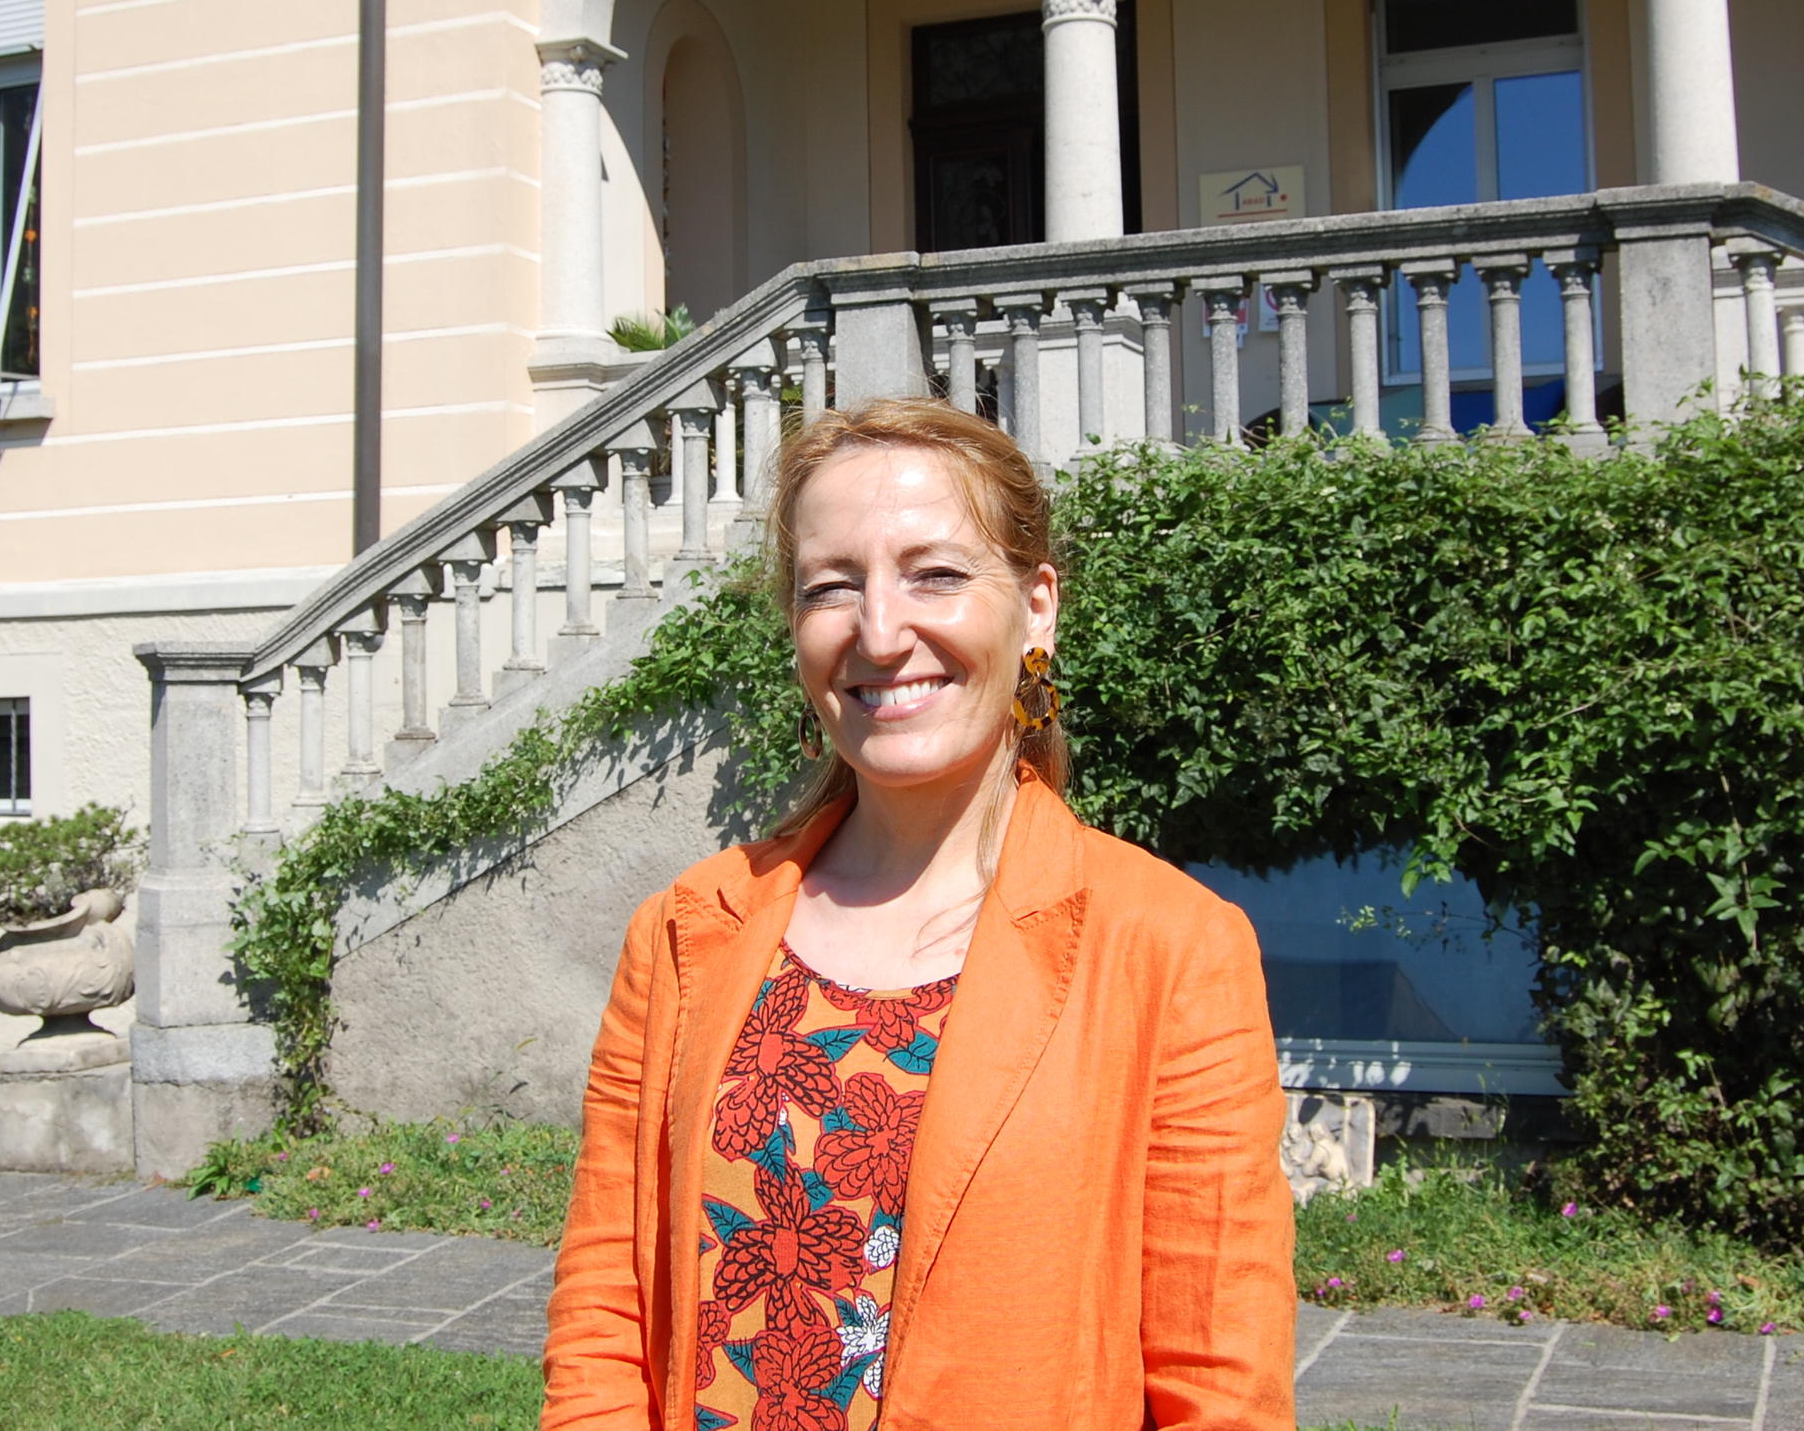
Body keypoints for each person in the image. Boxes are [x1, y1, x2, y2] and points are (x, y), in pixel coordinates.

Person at [541, 397, 1296, 1431]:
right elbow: (603, 1323)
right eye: (831, 586)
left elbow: (1222, 1383)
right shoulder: (687, 929)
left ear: (1035, 607)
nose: (881, 631)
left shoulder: (1168, 949)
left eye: (935, 573)